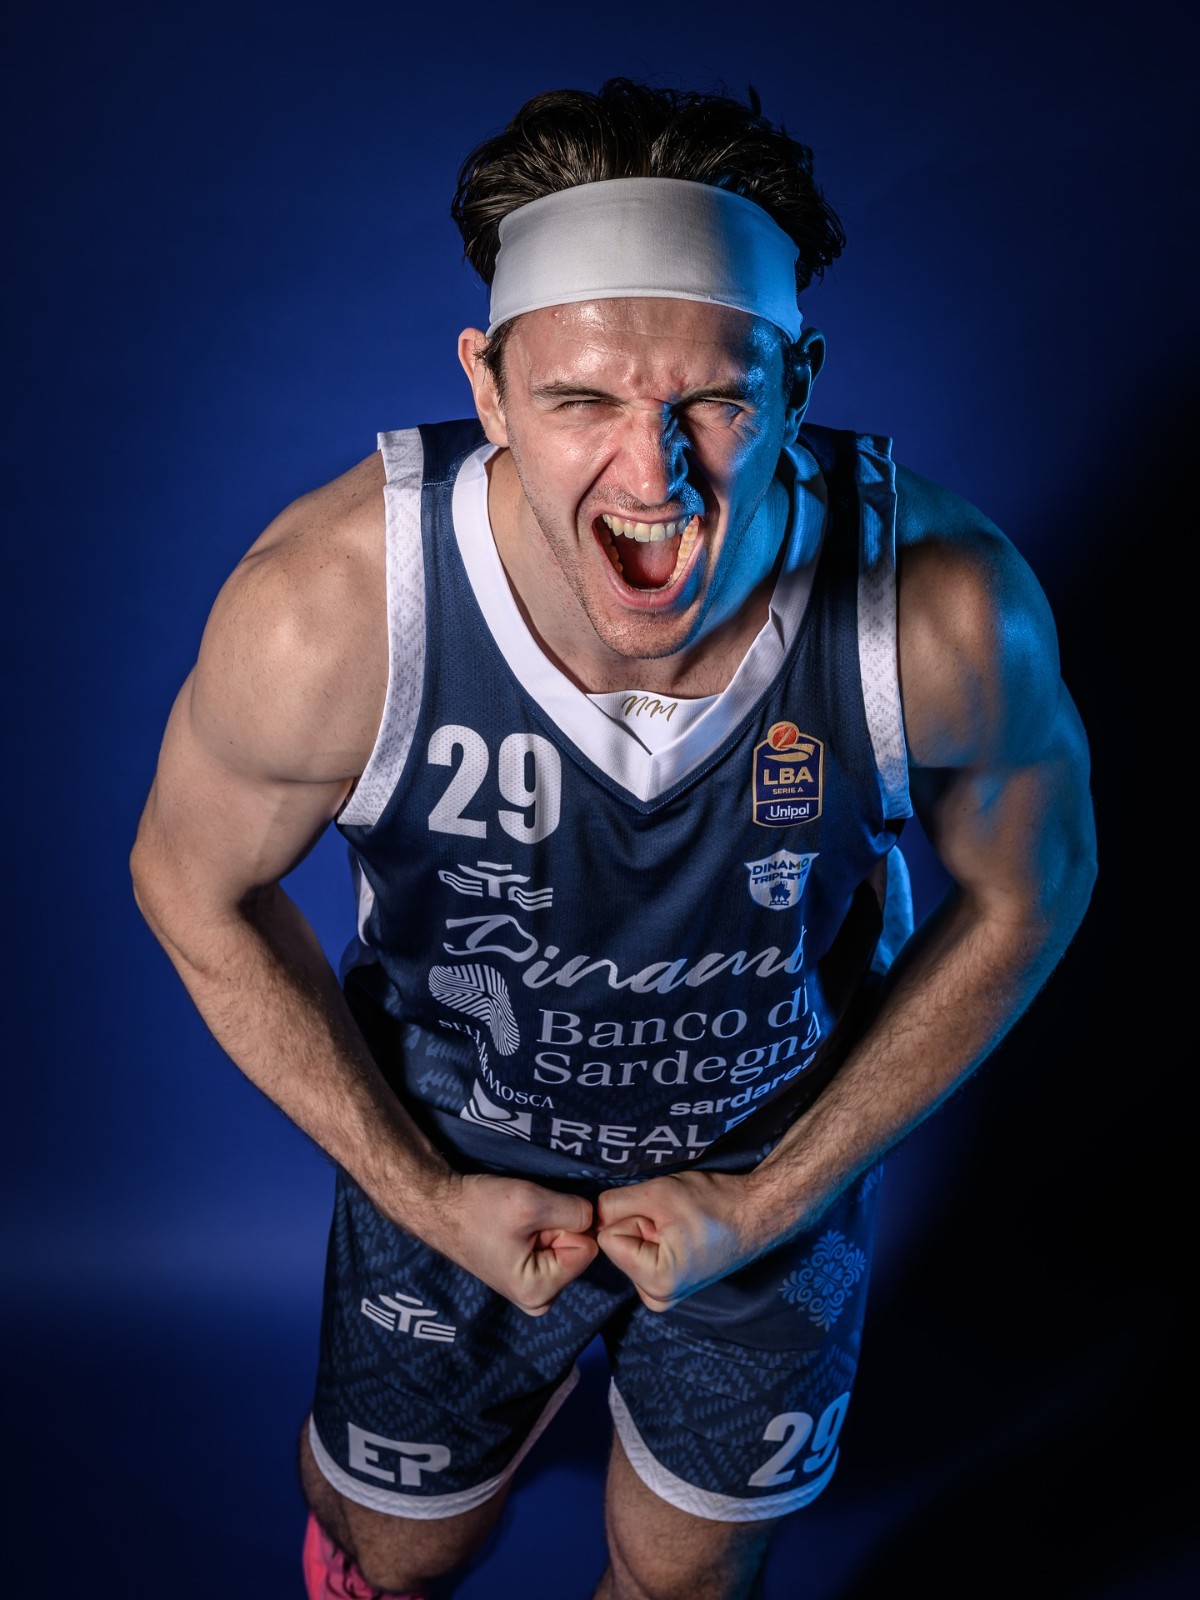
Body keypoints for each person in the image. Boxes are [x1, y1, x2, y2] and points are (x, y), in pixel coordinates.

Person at [129, 77, 1097, 1600]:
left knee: (684, 1579)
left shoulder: (942, 608)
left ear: (798, 381)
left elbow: (1033, 887)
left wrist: (769, 1200)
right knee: (398, 1548)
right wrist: (420, 1193)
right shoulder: (331, 609)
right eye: (582, 400)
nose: (655, 478)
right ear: (490, 385)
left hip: (766, 1161)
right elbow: (188, 884)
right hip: (452, 1152)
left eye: (714, 400)